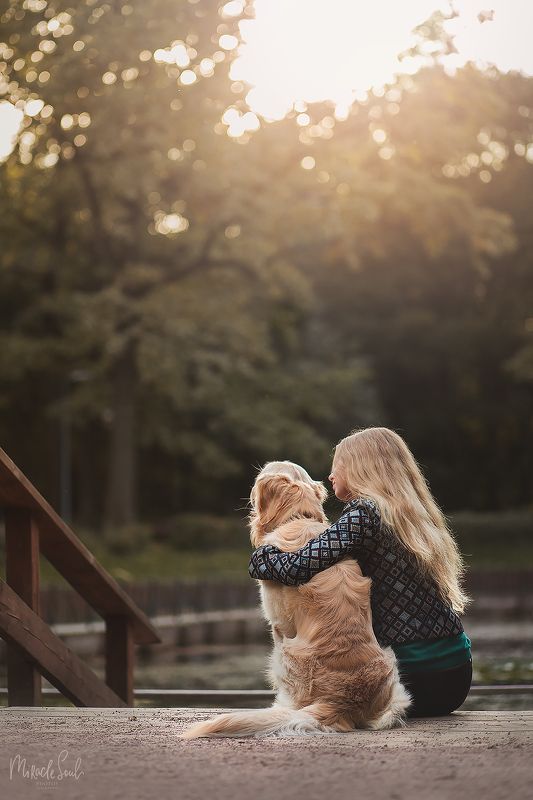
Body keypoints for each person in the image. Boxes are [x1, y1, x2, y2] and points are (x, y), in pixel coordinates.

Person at [248, 427, 473, 717]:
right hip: (457, 674)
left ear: (359, 468)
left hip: (412, 679)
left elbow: (296, 568)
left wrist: (261, 555)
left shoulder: (364, 514)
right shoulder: (416, 514)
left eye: (337, 467)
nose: (330, 476)